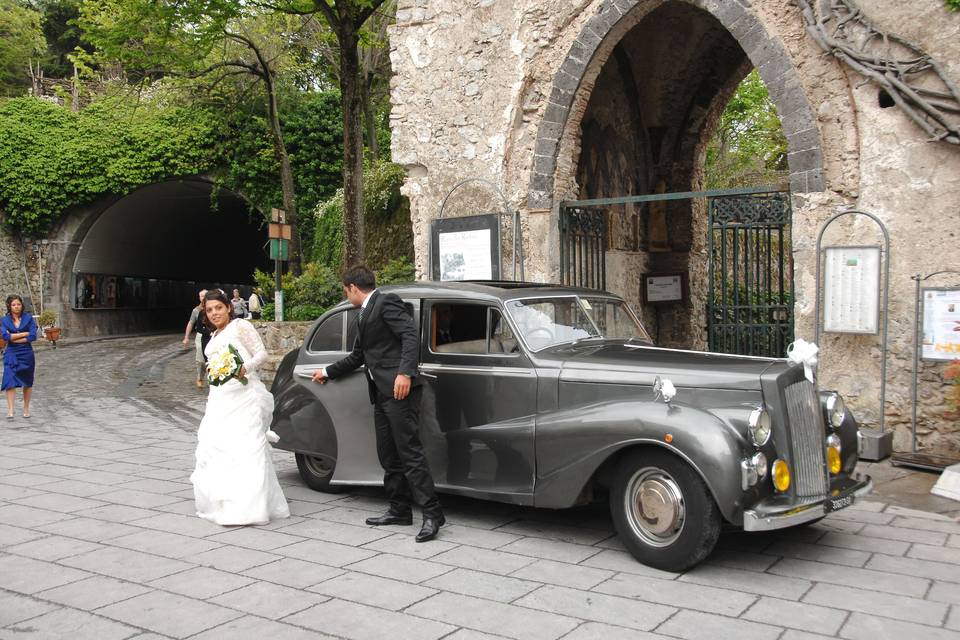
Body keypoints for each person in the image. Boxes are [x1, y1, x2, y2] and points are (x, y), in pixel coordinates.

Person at [312, 266, 444, 542]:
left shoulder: (387, 302)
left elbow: (410, 335)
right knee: (388, 453)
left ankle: (432, 514)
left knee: (410, 453)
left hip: (399, 391)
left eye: (345, 291)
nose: (346, 295)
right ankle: (399, 509)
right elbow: (358, 356)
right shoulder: (364, 313)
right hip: (381, 393)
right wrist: (326, 372)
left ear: (352, 288)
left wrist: (404, 373)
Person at [190, 288, 289, 526]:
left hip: (244, 397)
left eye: (218, 308)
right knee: (220, 448)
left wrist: (244, 369)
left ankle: (251, 506)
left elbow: (262, 354)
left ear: (228, 308)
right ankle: (225, 501)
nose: (214, 313)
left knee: (247, 448)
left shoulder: (240, 327)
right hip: (221, 399)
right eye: (210, 310)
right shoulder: (213, 336)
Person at [1, 295, 37, 419]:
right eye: (13, 305)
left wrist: (14, 337)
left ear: (22, 305)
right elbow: (6, 337)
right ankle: (10, 409)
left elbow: (33, 336)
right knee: (9, 379)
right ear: (9, 307)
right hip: (11, 353)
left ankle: (26, 408)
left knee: (27, 381)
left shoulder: (29, 318)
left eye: (18, 304)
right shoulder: (4, 320)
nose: (16, 307)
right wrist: (24, 334)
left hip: (26, 353)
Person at [182, 289, 211, 388]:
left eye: (204, 296)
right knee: (200, 359)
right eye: (201, 296)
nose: (202, 298)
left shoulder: (212, 308)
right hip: (200, 336)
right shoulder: (196, 310)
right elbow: (191, 323)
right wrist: (186, 337)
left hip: (211, 335)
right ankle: (199, 377)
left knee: (211, 358)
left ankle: (212, 378)